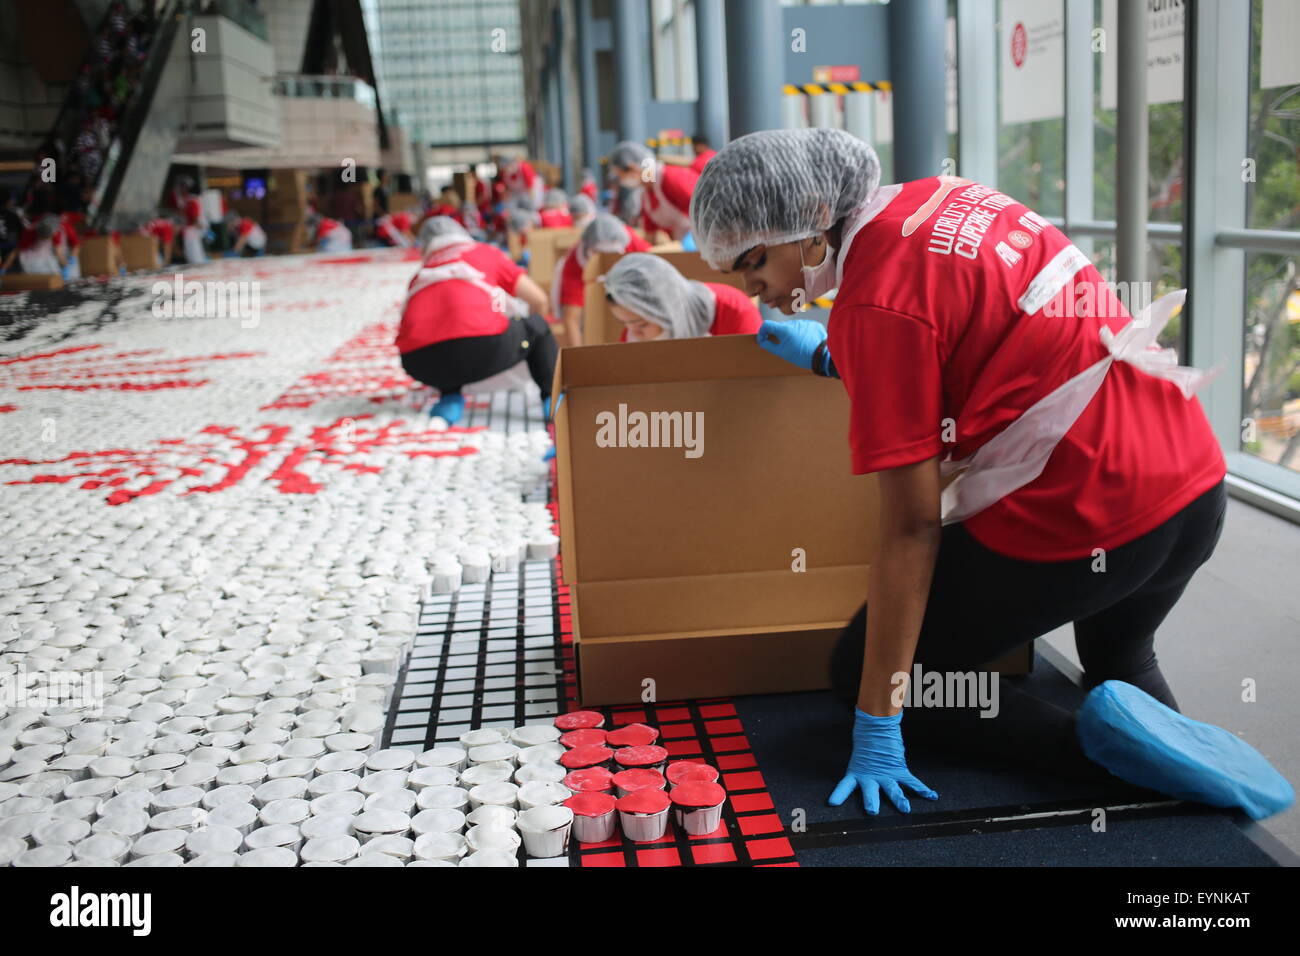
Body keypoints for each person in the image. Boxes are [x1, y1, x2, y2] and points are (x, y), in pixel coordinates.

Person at [689, 127, 1294, 822]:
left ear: (812, 218)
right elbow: (977, 329)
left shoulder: (872, 305)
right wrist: (839, 357)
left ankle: (1107, 760)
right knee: (1119, 656)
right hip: (1190, 485)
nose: (753, 287)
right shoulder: (939, 197)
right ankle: (1190, 778)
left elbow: (913, 528)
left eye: (755, 260)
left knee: (876, 671)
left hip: (1098, 513)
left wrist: (880, 715)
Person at [397, 217, 555, 425]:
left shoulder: (422, 273)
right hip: (483, 349)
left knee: (448, 335)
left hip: (419, 362)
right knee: (538, 327)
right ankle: (551, 399)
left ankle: (450, 397)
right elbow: (539, 299)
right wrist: (532, 351)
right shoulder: (484, 252)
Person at [602, 252, 761, 342]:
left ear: (668, 310)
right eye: (624, 323)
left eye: (642, 325)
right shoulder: (633, 332)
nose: (633, 334)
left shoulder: (735, 314)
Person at [552, 213, 652, 346]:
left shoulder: (628, 239)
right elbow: (572, 320)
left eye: (612, 254)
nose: (606, 259)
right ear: (589, 249)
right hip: (594, 314)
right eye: (600, 253)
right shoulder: (575, 263)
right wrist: (579, 358)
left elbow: (655, 268)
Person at [607, 140, 698, 241]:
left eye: (620, 176)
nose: (621, 181)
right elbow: (650, 234)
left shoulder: (672, 178)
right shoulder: (646, 195)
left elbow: (702, 211)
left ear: (632, 168)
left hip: (699, 243)